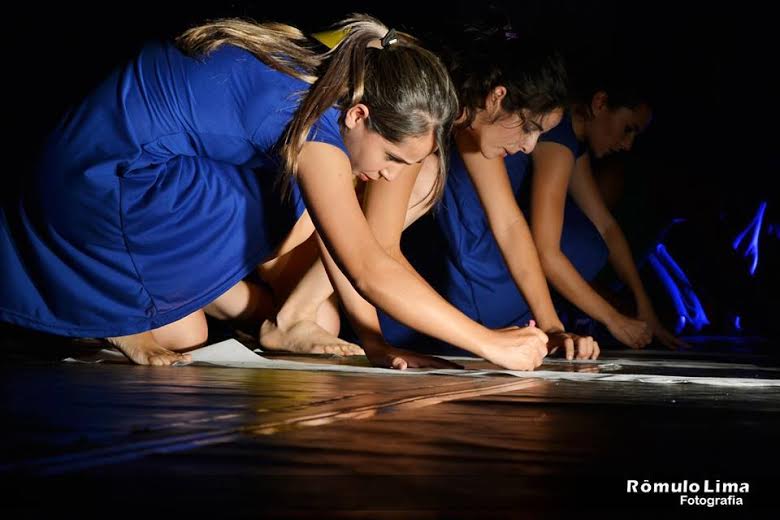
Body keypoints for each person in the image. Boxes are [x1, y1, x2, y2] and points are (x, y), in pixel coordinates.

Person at [0, 15, 549, 369]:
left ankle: (165, 305)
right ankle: (116, 311)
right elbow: (366, 264)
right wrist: (488, 343)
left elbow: (352, 252)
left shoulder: (322, 85)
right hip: (94, 189)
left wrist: (376, 343)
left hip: (98, 178)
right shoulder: (309, 126)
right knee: (283, 198)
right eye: (391, 157)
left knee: (193, 330)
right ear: (360, 116)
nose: (388, 175)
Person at [263, 30, 599, 366]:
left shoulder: (469, 118)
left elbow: (509, 225)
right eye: (530, 128)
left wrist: (551, 327)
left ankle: (291, 311)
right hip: (275, 208)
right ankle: (288, 311)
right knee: (427, 176)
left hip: (313, 224)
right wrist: (483, 341)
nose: (529, 146)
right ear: (497, 97)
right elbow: (376, 252)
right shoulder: (422, 115)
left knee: (324, 321)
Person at [527, 57, 687, 349]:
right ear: (600, 103)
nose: (628, 144)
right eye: (628, 128)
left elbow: (606, 226)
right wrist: (615, 319)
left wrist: (643, 304)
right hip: (487, 259)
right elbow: (546, 252)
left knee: (595, 240)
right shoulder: (557, 136)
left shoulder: (572, 142)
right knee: (584, 243)